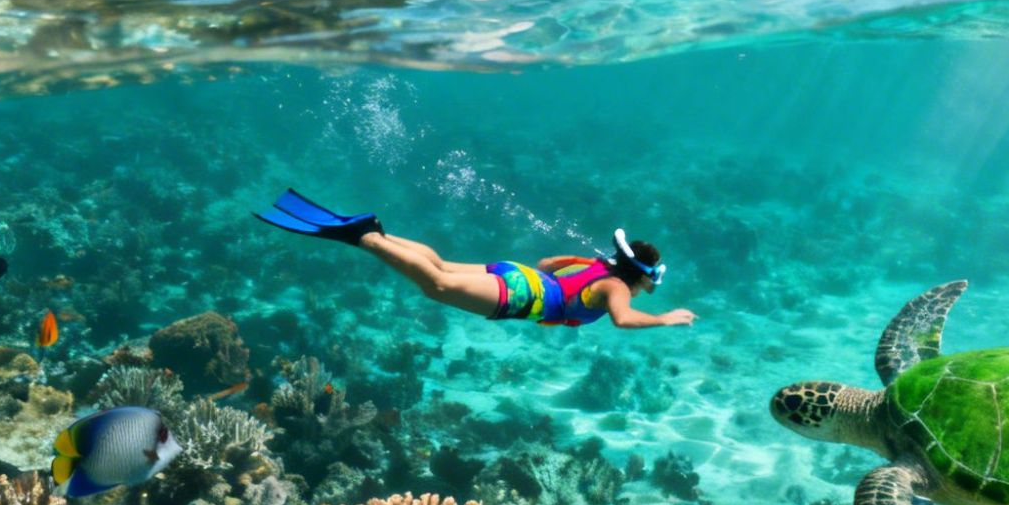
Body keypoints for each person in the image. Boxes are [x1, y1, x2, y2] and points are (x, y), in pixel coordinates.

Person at [255, 189, 696, 330]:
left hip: (522, 276)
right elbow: (622, 319)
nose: (645, 290)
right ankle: (366, 238)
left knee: (442, 265)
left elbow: (546, 263)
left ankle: (378, 233)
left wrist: (548, 283)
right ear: (639, 277)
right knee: (437, 286)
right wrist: (664, 318)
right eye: (649, 283)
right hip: (523, 296)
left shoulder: (597, 264)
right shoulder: (617, 288)